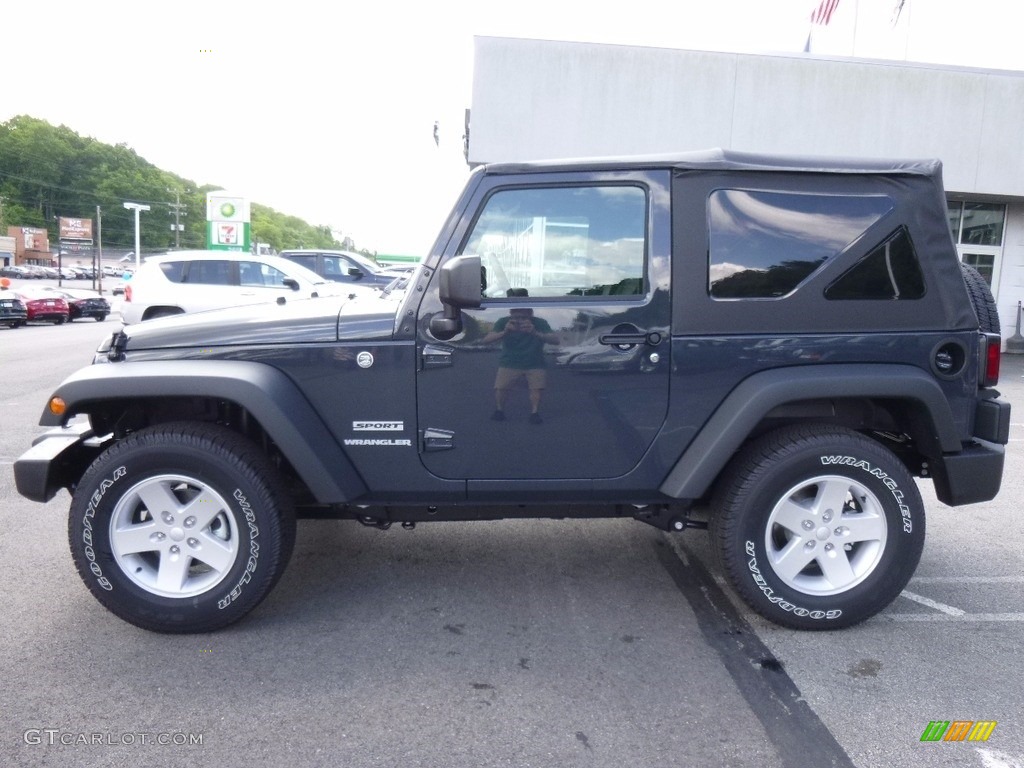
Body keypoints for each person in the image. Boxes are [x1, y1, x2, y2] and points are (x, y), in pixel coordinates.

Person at [482, 301, 559, 424]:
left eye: (523, 317)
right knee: (501, 388)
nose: (519, 321)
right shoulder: (503, 322)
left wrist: (535, 332)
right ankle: (499, 410)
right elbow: (486, 340)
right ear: (511, 314)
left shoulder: (540, 323)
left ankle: (535, 412)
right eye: (516, 317)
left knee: (536, 388)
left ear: (530, 315)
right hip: (509, 361)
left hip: (535, 361)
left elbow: (556, 340)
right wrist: (505, 332)